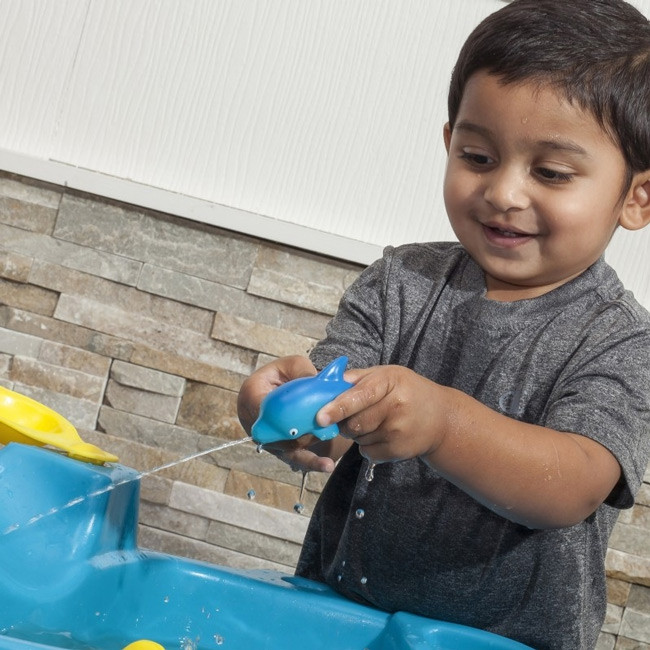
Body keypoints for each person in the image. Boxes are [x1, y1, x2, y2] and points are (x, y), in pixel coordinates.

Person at [237, 1, 650, 647]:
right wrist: (283, 409)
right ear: (449, 140)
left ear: (636, 197)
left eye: (550, 173)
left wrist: (442, 425)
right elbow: (331, 419)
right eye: (478, 157)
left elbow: (571, 486)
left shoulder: (621, 341)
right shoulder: (401, 280)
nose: (504, 193)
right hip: (342, 620)